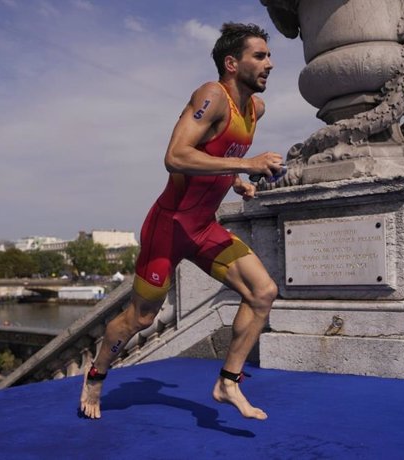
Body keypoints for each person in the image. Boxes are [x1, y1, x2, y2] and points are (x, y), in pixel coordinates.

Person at [80, 22, 283, 421]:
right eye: (259, 56)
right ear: (231, 63)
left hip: (204, 227)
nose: (270, 64)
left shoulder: (255, 109)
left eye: (269, 56)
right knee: (140, 318)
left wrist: (238, 181)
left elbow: (214, 153)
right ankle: (96, 373)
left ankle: (228, 381)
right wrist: (248, 163)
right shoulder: (213, 95)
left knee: (263, 292)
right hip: (168, 227)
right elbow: (176, 156)